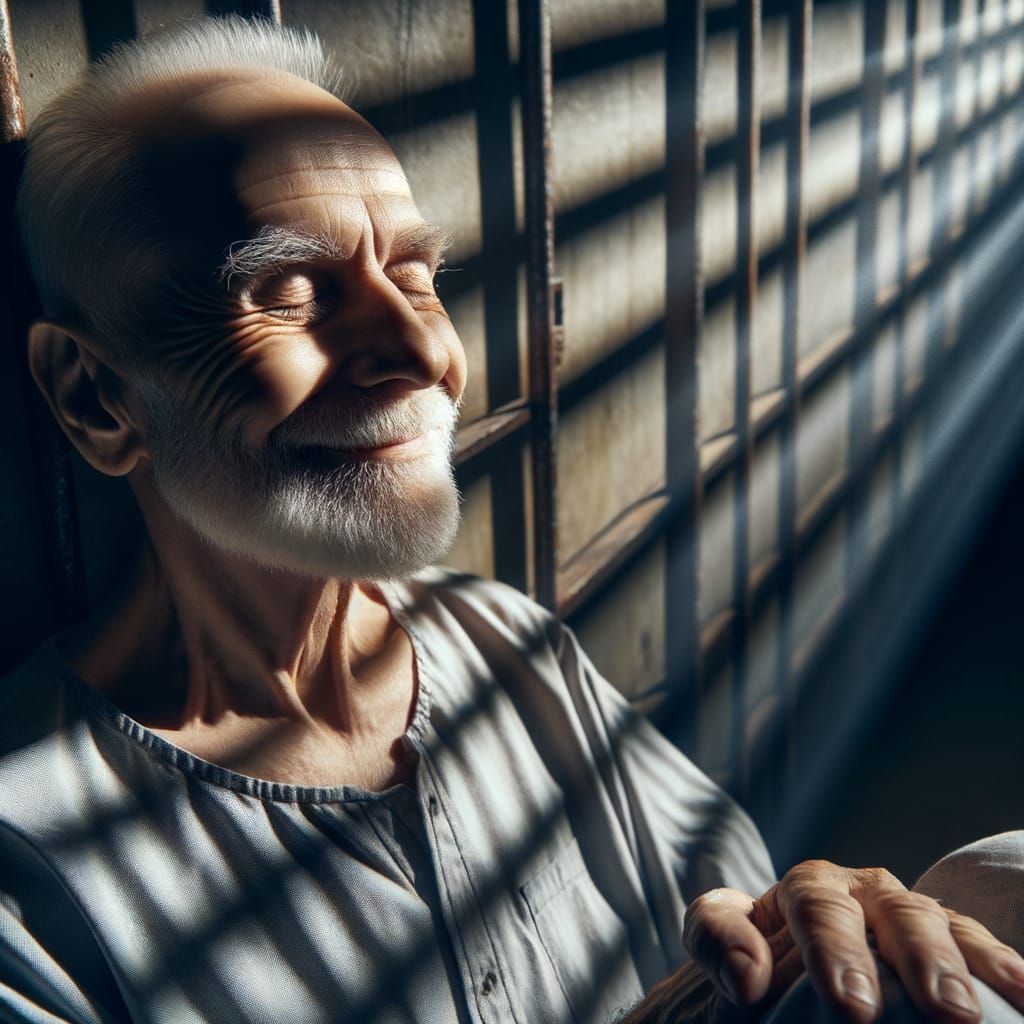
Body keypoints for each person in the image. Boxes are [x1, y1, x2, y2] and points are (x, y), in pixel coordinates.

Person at [2, 16, 1021, 1024]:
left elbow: (747, 937)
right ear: (96, 397)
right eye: (293, 293)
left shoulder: (501, 642)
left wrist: (815, 924)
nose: (423, 352)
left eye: (415, 276)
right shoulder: (32, 862)